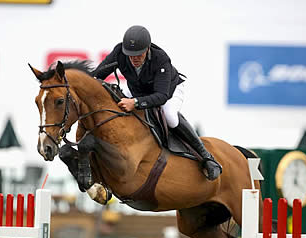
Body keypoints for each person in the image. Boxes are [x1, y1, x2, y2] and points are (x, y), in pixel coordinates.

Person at [93, 25, 222, 180]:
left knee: (170, 117)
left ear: (147, 49)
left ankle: (207, 157)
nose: (134, 58)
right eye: (130, 55)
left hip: (170, 91)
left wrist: (135, 103)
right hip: (138, 91)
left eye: (139, 54)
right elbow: (96, 76)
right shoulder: (120, 52)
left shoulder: (161, 59)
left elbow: (161, 96)